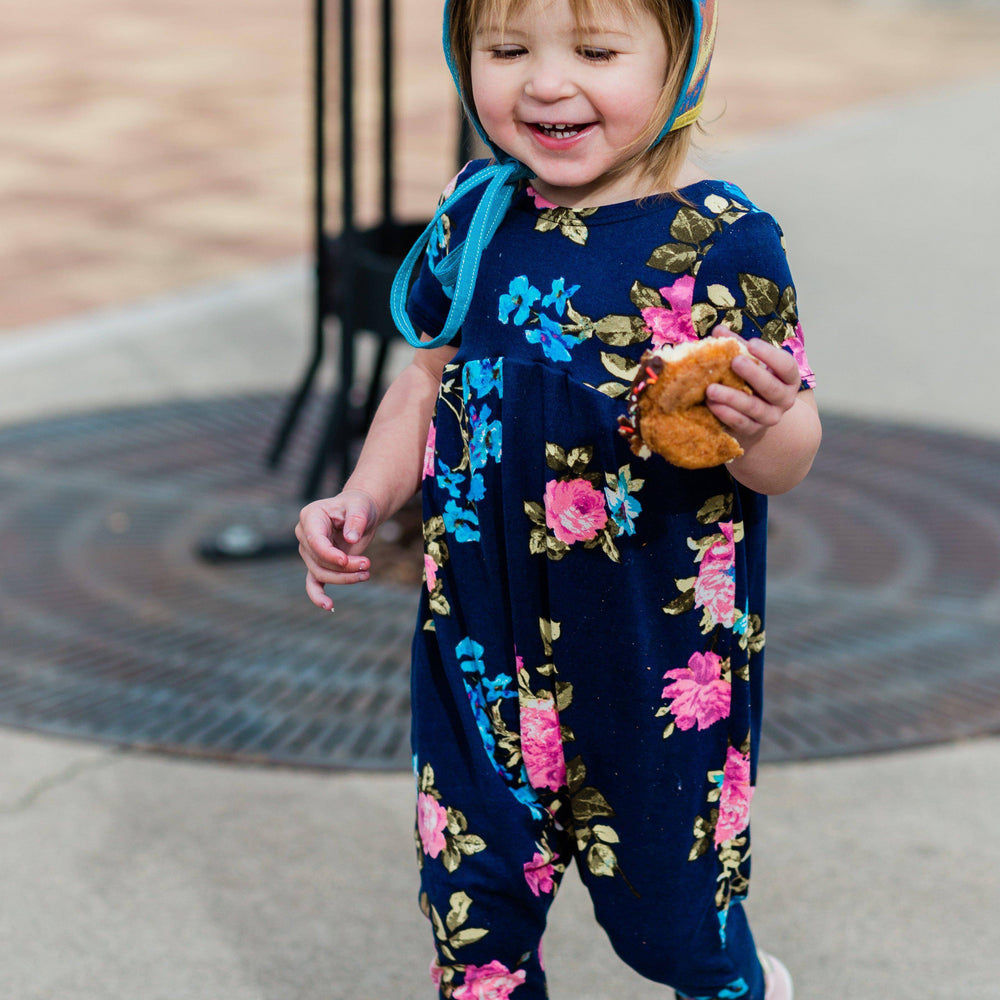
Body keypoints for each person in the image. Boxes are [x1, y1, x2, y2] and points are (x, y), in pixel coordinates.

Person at [297, 0, 820, 996]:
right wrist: (360, 494)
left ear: (681, 62)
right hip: (477, 644)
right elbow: (420, 382)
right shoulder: (478, 212)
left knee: (674, 922)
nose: (543, 81)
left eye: (593, 50)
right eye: (504, 49)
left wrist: (765, 428)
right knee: (474, 915)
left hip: (652, 661)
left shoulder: (722, 240)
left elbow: (789, 450)